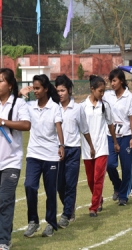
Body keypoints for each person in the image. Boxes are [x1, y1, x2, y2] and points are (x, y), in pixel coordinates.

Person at [22, 74, 65, 238]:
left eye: (38, 88)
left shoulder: (55, 107)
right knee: (29, 186)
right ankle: (33, 222)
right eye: (34, 88)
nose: (35, 91)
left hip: (50, 155)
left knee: (49, 191)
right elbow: (12, 105)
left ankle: (51, 224)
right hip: (33, 153)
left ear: (46, 89)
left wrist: (61, 145)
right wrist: (20, 94)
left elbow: (58, 127)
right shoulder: (29, 106)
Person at [55, 74, 95, 226]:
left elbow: (84, 130)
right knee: (59, 185)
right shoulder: (54, 107)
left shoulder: (78, 109)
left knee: (71, 184)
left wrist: (91, 146)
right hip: (57, 152)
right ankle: (69, 208)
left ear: (69, 90)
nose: (60, 94)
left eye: (63, 90)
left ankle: (66, 215)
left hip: (73, 150)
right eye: (58, 90)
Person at [0, 68, 31, 250]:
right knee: (5, 201)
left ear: (10, 85)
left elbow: (26, 125)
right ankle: (5, 233)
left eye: (1, 80)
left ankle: (3, 241)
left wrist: (3, 122)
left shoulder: (18, 104)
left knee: (4, 199)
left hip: (11, 161)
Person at [81, 75, 119, 217]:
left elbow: (110, 125)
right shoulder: (82, 107)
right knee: (90, 180)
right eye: (100, 91)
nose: (102, 94)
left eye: (104, 91)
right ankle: (99, 198)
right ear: (92, 89)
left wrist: (115, 142)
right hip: (87, 148)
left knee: (98, 178)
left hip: (102, 147)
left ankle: (94, 207)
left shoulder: (105, 105)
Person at [103, 68, 132, 206]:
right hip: (110, 136)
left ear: (121, 81)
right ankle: (117, 185)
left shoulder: (130, 97)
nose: (112, 83)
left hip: (126, 136)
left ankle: (123, 196)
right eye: (111, 81)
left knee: (127, 167)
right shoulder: (107, 96)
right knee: (109, 164)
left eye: (115, 80)